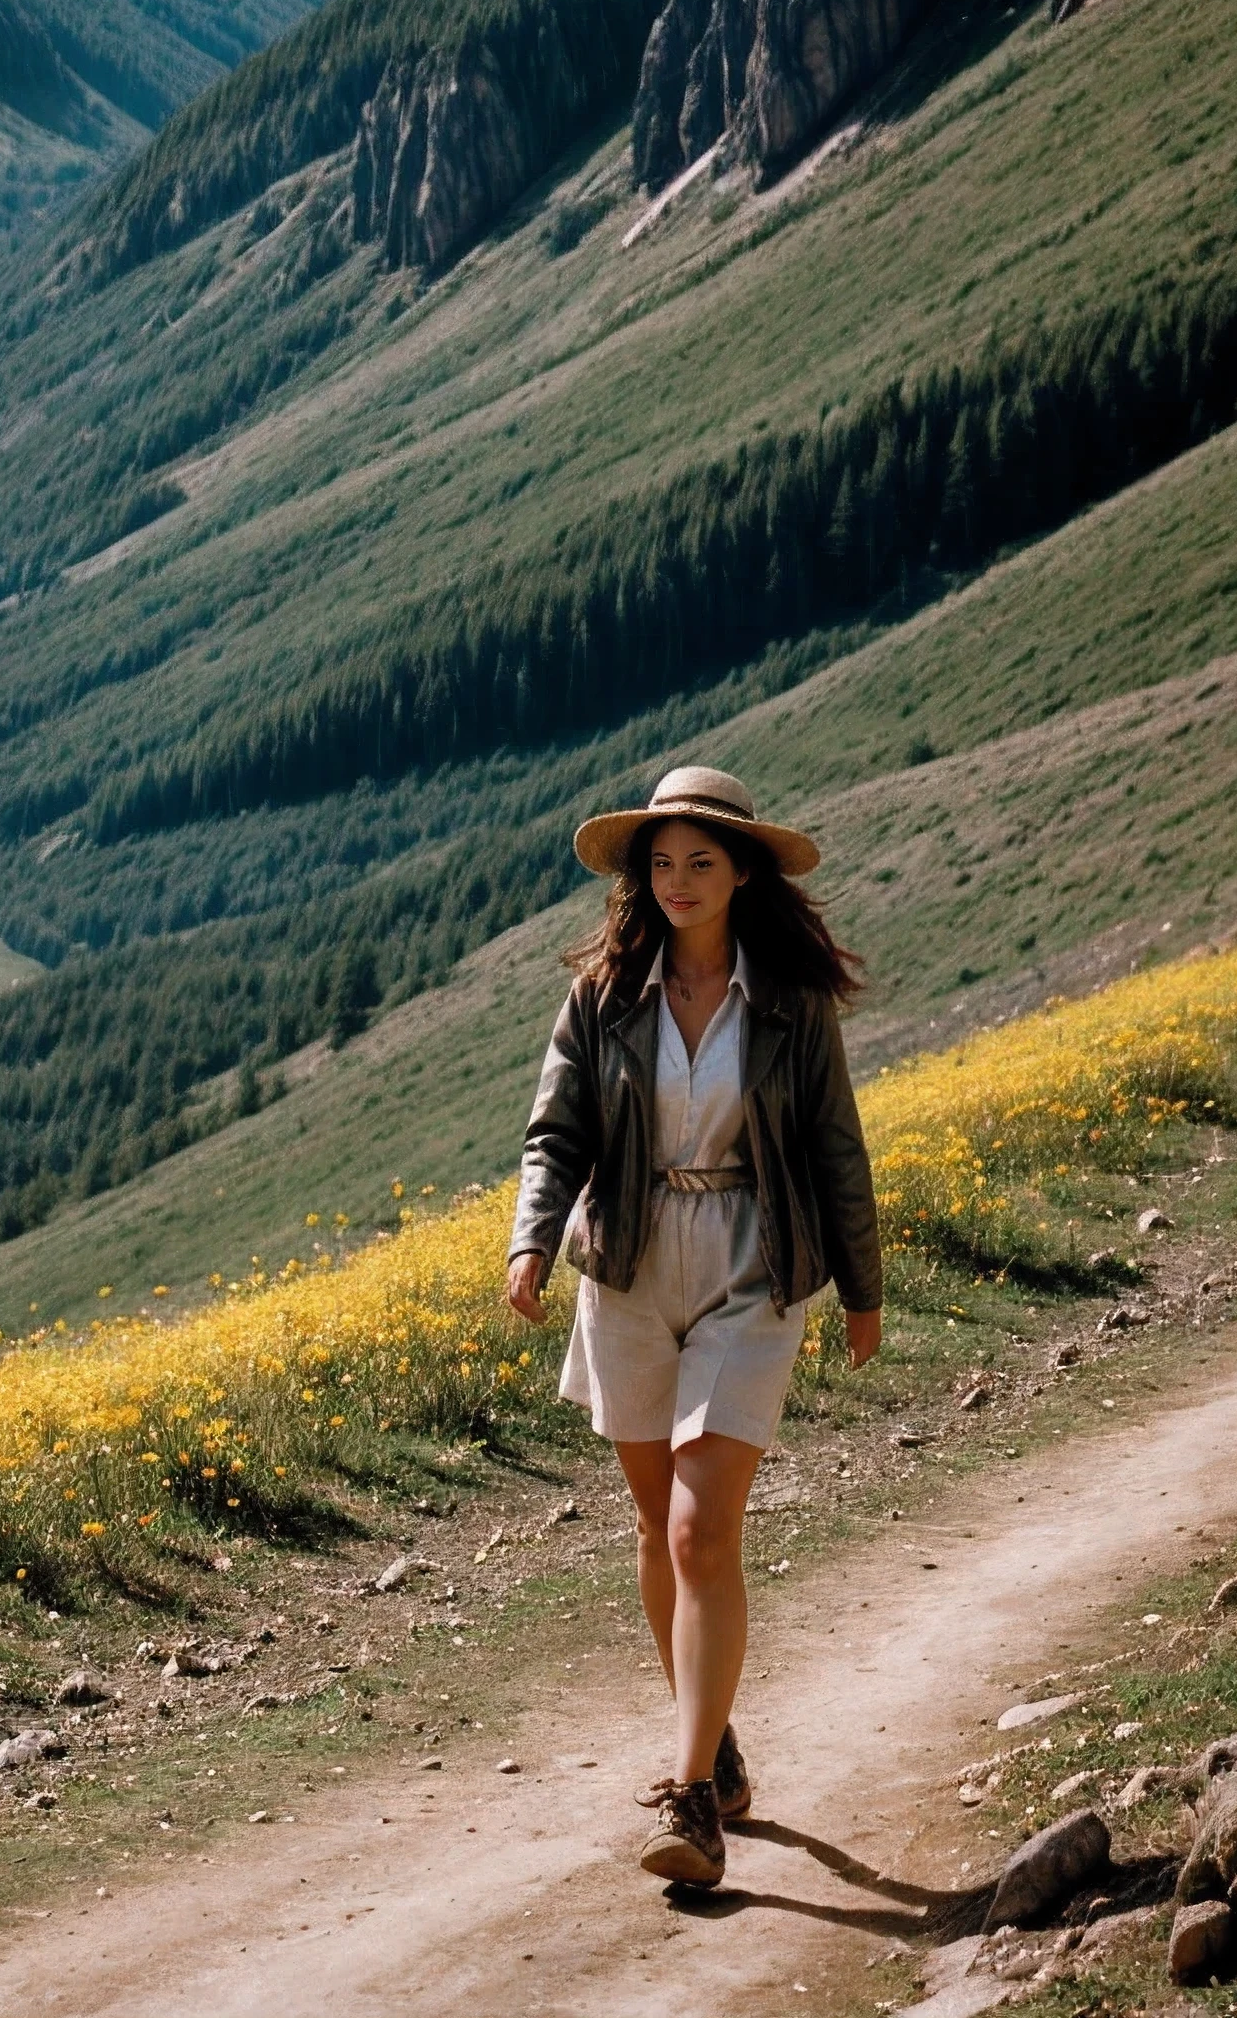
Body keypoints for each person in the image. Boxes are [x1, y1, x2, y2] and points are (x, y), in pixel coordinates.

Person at [506, 763, 881, 1889]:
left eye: (699, 862)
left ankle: (690, 1804)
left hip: (750, 1269)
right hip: (623, 1267)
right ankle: (707, 1738)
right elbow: (553, 1133)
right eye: (661, 863)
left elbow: (833, 1147)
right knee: (652, 1524)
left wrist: (861, 1290)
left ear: (742, 872)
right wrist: (530, 1242)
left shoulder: (790, 1004)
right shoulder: (603, 997)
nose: (677, 880)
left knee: (697, 1532)